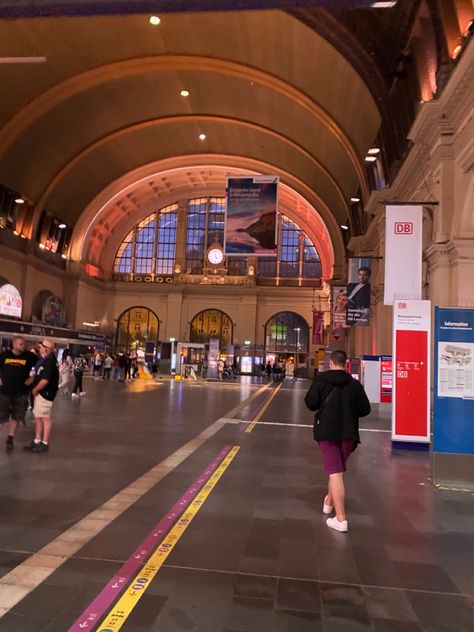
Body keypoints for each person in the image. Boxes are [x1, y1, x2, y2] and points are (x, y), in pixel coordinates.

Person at [304, 349, 370, 533]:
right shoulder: (354, 384)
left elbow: (310, 403)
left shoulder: (321, 380)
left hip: (327, 433)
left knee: (335, 472)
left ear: (331, 363)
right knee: (337, 470)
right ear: (345, 364)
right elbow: (365, 409)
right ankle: (328, 502)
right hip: (348, 434)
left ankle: (341, 519)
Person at [0, 336, 37, 451]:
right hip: (4, 392)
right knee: (0, 416)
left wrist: (32, 378)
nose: (23, 346)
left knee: (16, 417)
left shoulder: (29, 356)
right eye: (20, 344)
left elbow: (41, 367)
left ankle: (10, 438)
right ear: (14, 344)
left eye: (23, 344)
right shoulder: (4, 355)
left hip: (21, 393)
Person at [24, 339, 59, 453]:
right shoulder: (45, 359)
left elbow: (45, 380)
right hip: (40, 394)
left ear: (46, 349)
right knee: (38, 417)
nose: (40, 349)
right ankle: (37, 440)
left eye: (41, 347)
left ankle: (44, 443)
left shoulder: (50, 361)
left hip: (45, 394)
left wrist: (35, 389)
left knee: (45, 418)